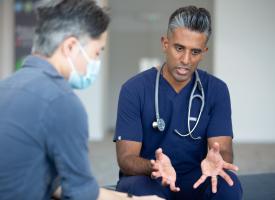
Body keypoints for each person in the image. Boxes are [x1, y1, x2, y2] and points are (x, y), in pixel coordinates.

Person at [0, 0, 163, 200]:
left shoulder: (6, 86)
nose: (96, 62)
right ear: (70, 47)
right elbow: (80, 194)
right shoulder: (62, 102)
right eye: (96, 52)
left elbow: (49, 181)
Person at [114, 5, 243, 200]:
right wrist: (154, 166)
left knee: (228, 185)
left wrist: (218, 160)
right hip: (151, 178)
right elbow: (126, 159)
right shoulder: (134, 89)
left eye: (195, 52)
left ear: (204, 51)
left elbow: (223, 149)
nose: (186, 60)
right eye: (179, 48)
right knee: (138, 189)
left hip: (197, 177)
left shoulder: (216, 90)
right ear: (165, 43)